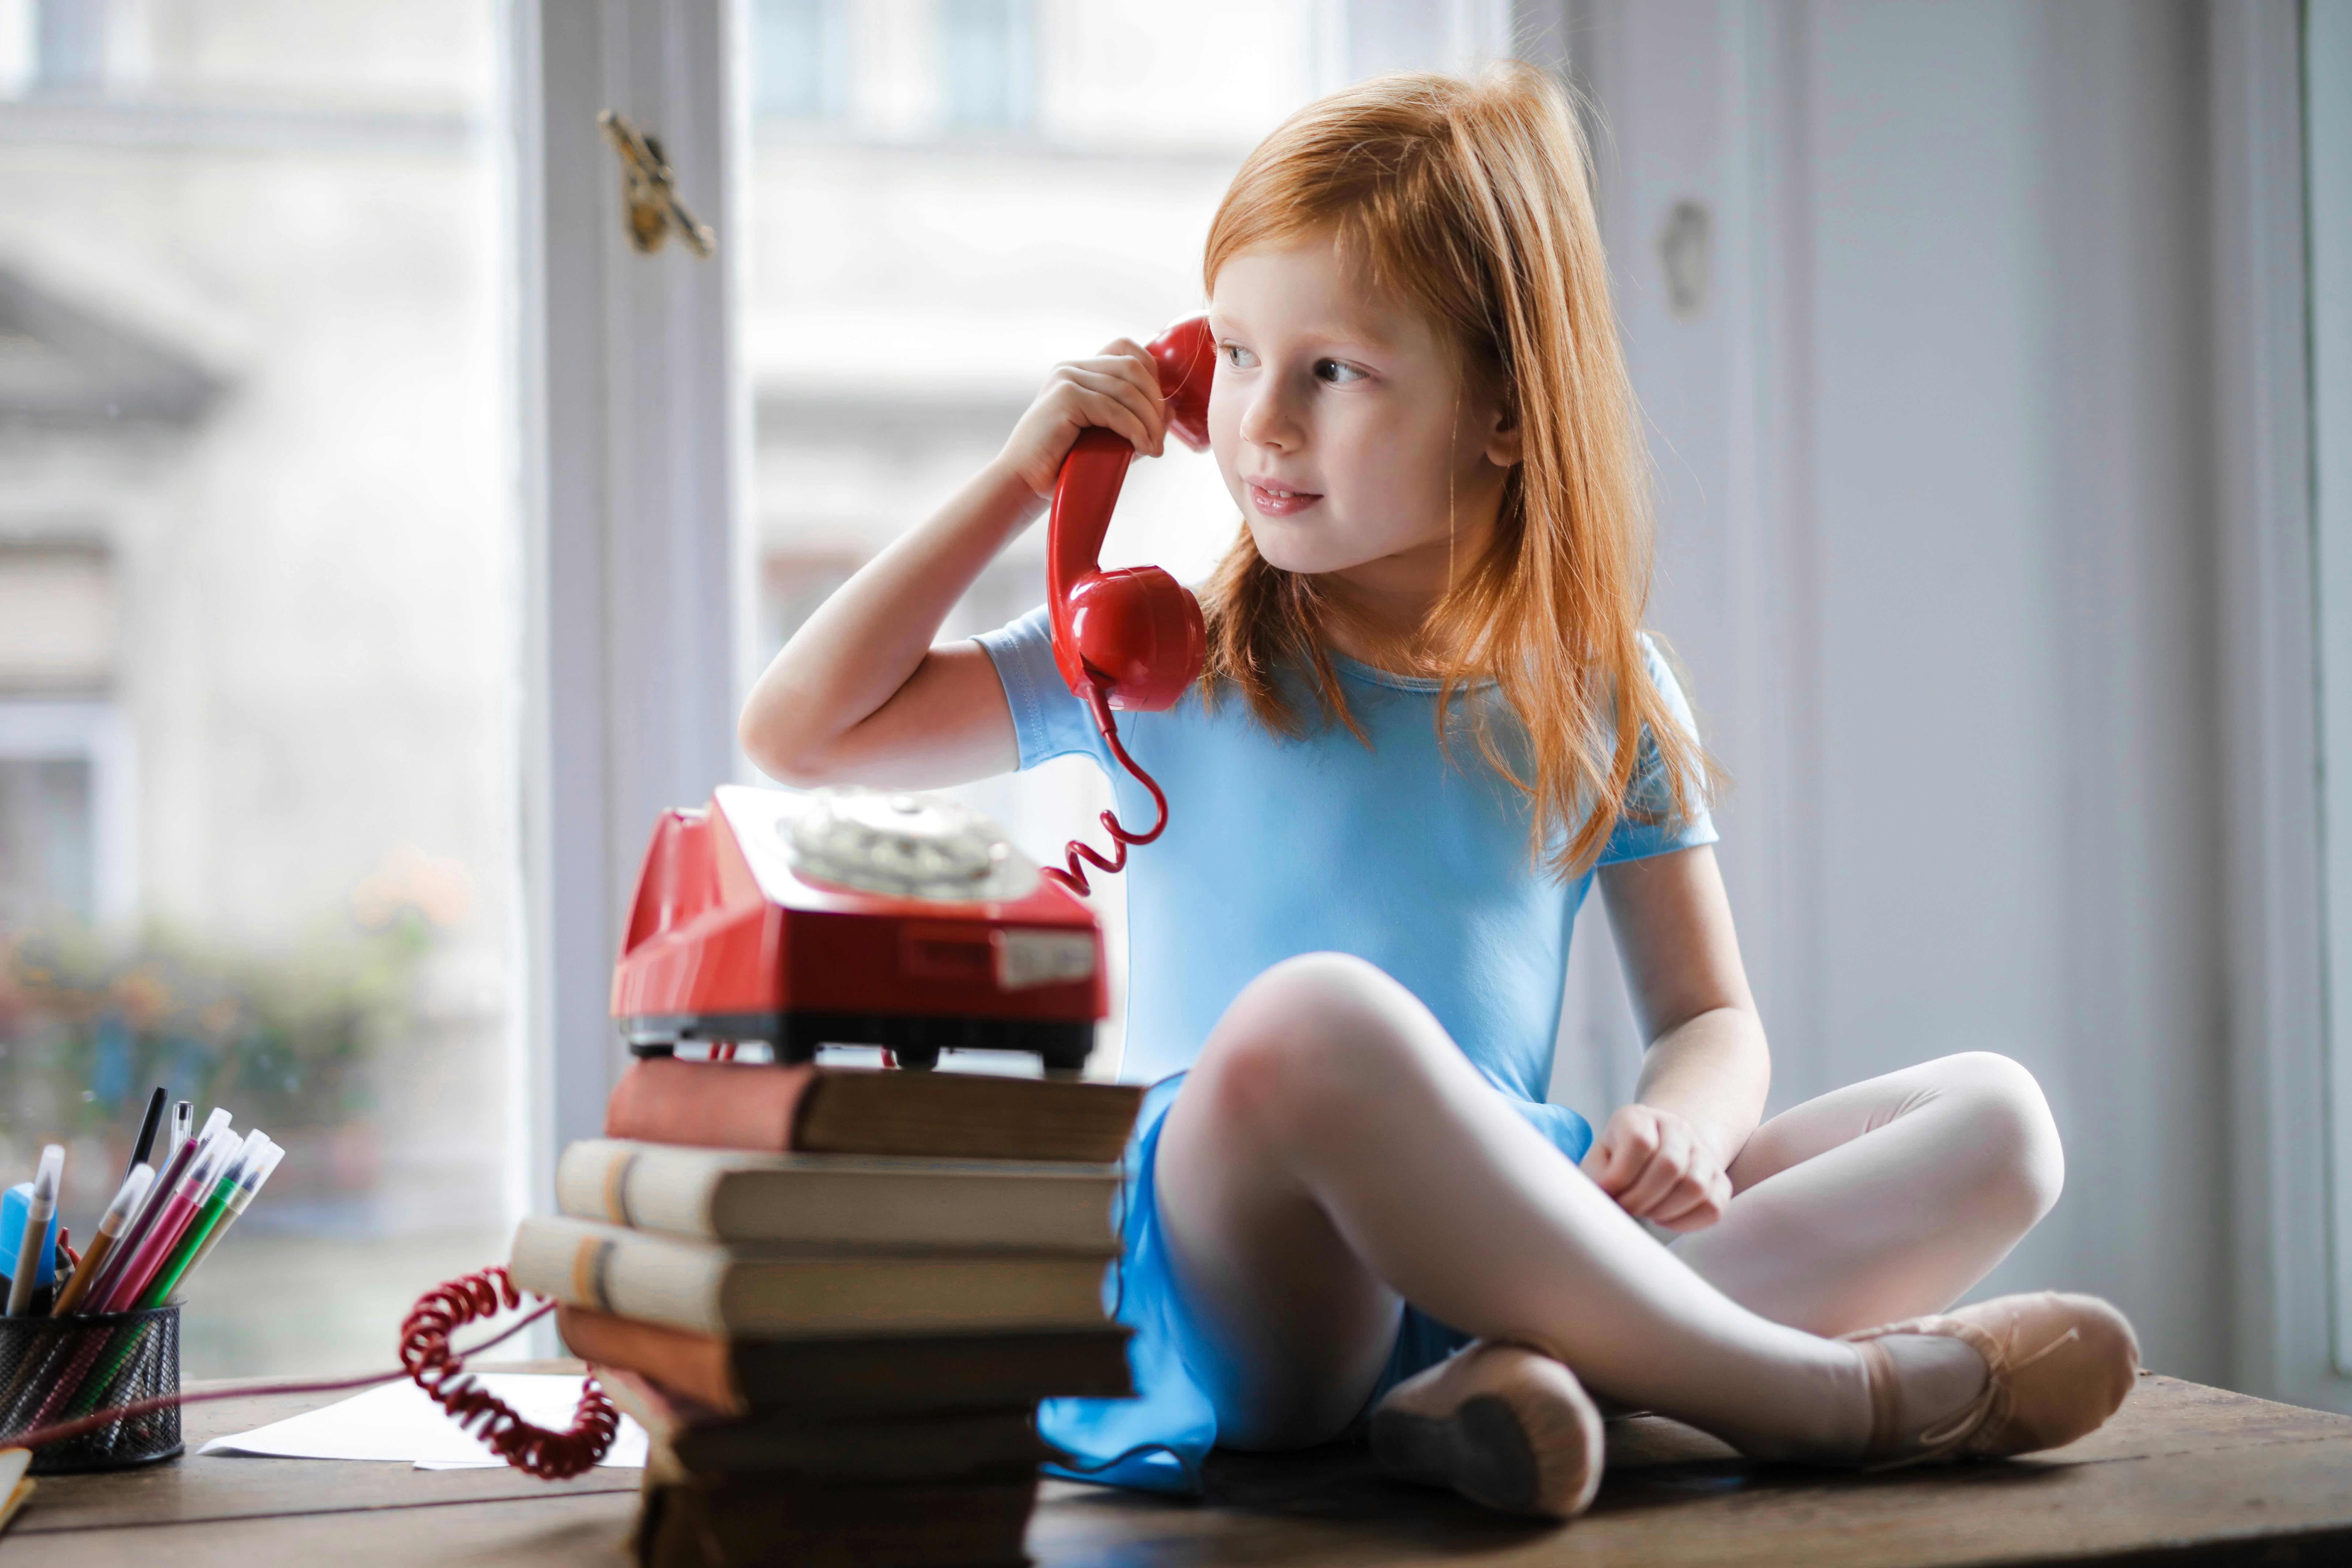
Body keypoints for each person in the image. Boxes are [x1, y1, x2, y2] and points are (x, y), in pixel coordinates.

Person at [736, 64, 2139, 1521]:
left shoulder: (1601, 687)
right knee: (1313, 1015)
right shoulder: (1169, 652)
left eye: (1331, 370)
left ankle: (1519, 1375)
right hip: (1256, 1280)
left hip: (1493, 1242)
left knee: (2001, 1116)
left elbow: (1713, 1020)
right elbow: (801, 730)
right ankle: (1819, 1393)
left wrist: (1687, 1123)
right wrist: (1024, 484)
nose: (1259, 423)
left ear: (1505, 416)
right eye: (1231, 354)